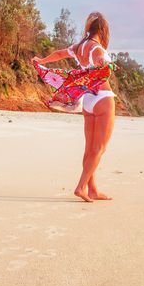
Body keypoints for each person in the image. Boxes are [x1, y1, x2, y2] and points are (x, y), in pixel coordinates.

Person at [31, 11, 115, 202]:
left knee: (89, 149)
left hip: (88, 101)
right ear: (103, 30)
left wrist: (41, 61)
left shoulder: (79, 47)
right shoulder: (98, 50)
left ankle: (92, 190)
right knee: (99, 149)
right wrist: (104, 66)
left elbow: (60, 54)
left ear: (89, 28)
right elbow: (104, 70)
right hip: (102, 98)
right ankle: (80, 187)